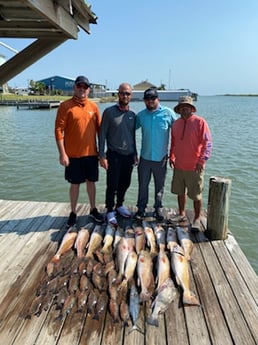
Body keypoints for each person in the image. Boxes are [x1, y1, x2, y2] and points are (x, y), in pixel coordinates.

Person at [55, 75, 103, 227]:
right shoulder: (65, 106)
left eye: (85, 87)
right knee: (74, 184)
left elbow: (100, 131)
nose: (82, 89)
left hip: (91, 154)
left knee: (91, 182)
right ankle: (73, 212)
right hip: (73, 155)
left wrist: (102, 153)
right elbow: (58, 130)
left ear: (89, 90)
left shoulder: (94, 107)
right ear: (74, 88)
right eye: (79, 86)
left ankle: (93, 208)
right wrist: (62, 153)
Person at [169, 96, 212, 230]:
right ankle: (181, 214)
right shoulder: (176, 124)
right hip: (179, 165)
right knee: (180, 192)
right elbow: (174, 143)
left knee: (196, 194)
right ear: (179, 108)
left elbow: (208, 143)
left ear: (192, 108)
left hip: (195, 167)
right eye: (182, 106)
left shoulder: (200, 122)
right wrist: (172, 157)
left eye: (187, 106)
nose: (184, 108)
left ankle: (197, 218)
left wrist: (202, 160)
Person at [134, 88, 177, 221]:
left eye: (153, 98)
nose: (150, 101)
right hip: (145, 157)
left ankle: (158, 208)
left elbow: (178, 134)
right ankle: (141, 208)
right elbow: (128, 131)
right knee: (143, 185)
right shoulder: (140, 116)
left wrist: (174, 154)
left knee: (160, 185)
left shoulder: (168, 113)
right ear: (144, 101)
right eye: (147, 99)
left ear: (158, 99)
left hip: (161, 158)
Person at [99, 83, 137, 226]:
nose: (125, 96)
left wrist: (135, 153)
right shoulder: (109, 112)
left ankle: (119, 204)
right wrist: (101, 155)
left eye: (127, 93)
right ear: (118, 94)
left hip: (128, 155)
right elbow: (102, 134)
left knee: (125, 182)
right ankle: (109, 209)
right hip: (113, 154)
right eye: (122, 93)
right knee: (112, 184)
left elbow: (132, 136)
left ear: (131, 96)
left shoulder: (132, 115)